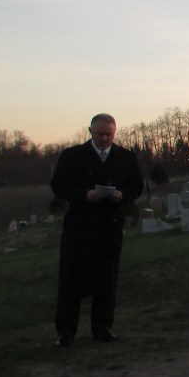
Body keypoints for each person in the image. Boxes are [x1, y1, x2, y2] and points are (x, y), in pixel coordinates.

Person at [50, 113, 144, 346]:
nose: (104, 139)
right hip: (80, 225)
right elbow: (59, 185)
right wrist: (84, 195)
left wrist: (123, 195)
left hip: (109, 223)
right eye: (100, 134)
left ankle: (103, 327)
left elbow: (136, 185)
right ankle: (66, 331)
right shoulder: (72, 156)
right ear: (90, 131)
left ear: (115, 133)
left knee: (106, 278)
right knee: (72, 278)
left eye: (109, 135)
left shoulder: (126, 157)